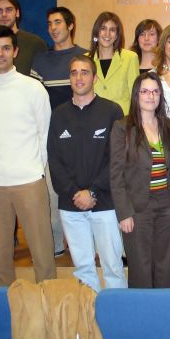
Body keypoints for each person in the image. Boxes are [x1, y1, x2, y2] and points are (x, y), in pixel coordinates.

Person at [0, 25, 56, 286]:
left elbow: (45, 134)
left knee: (42, 254)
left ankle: (47, 302)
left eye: (6, 48)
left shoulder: (33, 88)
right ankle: (5, 305)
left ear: (15, 52)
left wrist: (36, 170)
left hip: (29, 180)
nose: (0, 53)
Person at [47, 55, 127, 291]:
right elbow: (54, 159)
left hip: (104, 203)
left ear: (94, 77)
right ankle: (88, 311)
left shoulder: (112, 111)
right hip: (71, 204)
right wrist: (75, 193)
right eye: (74, 72)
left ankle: (115, 311)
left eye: (84, 72)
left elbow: (117, 158)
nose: (79, 77)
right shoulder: (58, 114)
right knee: (83, 267)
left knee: (112, 265)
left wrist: (92, 191)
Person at [110, 72, 170, 288]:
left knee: (165, 264)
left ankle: (163, 306)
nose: (151, 96)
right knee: (140, 265)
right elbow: (116, 174)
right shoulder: (123, 127)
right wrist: (124, 212)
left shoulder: (169, 126)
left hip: (166, 205)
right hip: (137, 207)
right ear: (136, 95)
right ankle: (142, 308)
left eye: (155, 91)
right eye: (145, 91)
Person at [31, 6, 88, 257]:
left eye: (58, 22)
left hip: (83, 138)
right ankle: (55, 245)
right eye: (50, 23)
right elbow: (34, 103)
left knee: (84, 190)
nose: (53, 28)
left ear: (70, 25)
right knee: (52, 195)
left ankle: (86, 248)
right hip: (50, 137)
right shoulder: (40, 61)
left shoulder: (85, 56)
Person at [89, 11, 139, 114]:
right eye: (103, 28)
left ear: (116, 35)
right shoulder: (86, 60)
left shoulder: (130, 58)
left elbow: (136, 96)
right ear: (97, 32)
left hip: (122, 119)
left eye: (112, 30)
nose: (107, 34)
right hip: (93, 118)